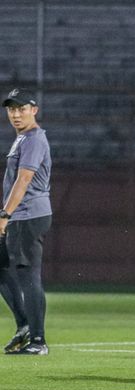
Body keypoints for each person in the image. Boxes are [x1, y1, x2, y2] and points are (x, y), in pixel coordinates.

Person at [1, 88, 52, 355]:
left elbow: (24, 179)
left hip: (27, 216)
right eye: (11, 109)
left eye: (22, 108)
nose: (16, 114)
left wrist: (4, 215)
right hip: (20, 216)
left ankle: (38, 340)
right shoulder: (22, 139)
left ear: (34, 110)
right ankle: (24, 326)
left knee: (28, 276)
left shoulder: (33, 139)